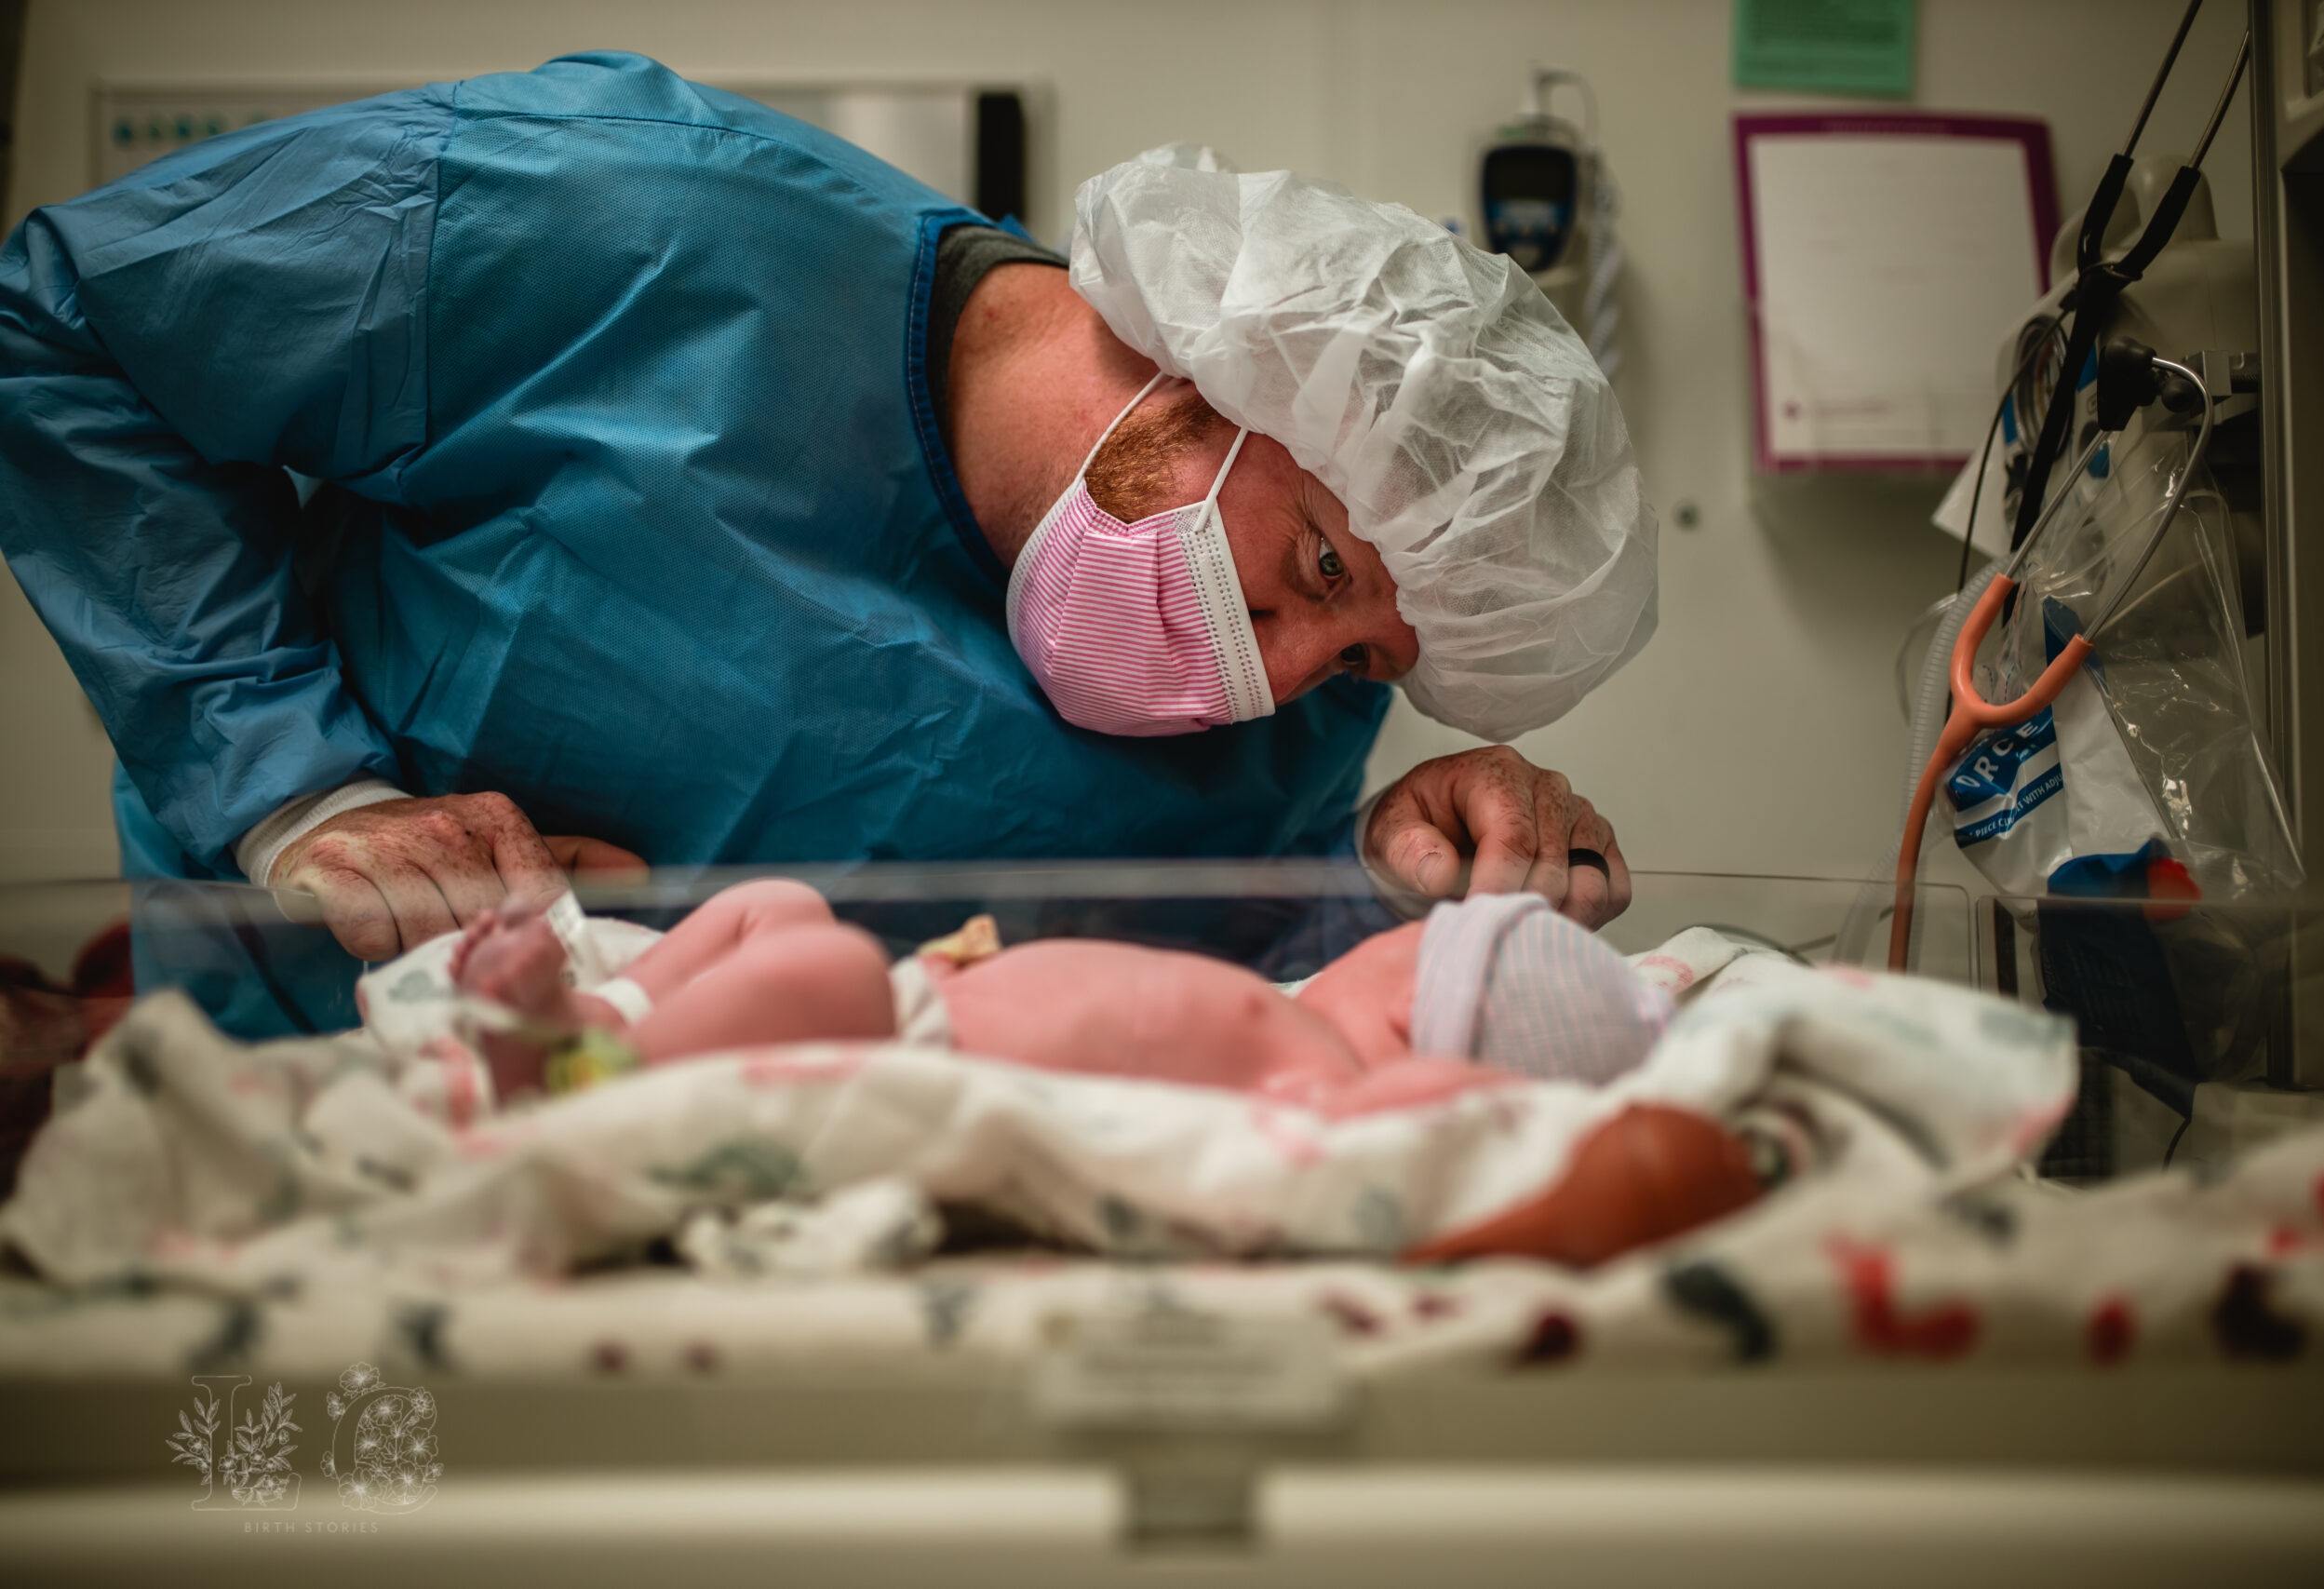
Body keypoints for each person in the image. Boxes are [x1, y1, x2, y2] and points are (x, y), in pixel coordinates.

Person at [0, 53, 1659, 969]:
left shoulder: (1274, 721)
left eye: (1368, 663)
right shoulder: (608, 229)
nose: (1280, 680)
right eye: (1316, 571)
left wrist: (1403, 881)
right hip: (348, 1118)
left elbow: (1216, 975)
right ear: (1225, 374)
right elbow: (66, 329)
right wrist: (300, 796)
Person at [445, 880, 1754, 1269]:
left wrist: (1555, 1101)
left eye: (1413, 948)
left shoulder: (1328, 1090)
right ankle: (606, 1007)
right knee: (780, 911)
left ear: (1430, 1016)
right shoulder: (1303, 1027)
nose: (1378, 942)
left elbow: (1426, 1137)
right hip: (920, 1002)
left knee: (821, 967)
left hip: (892, 1057)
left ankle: (576, 1067)